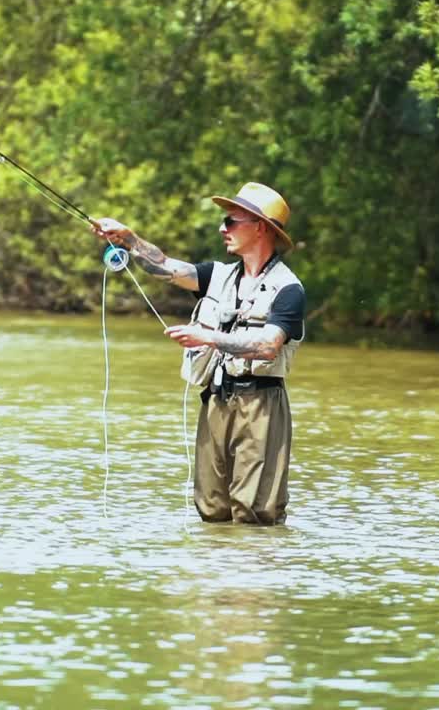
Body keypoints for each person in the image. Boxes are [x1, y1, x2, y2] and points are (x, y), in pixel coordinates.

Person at [91, 182, 306, 525]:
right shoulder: (217, 276)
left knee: (254, 511)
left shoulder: (289, 290)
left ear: (261, 228)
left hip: (261, 407)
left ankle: (256, 576)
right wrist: (129, 240)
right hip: (216, 402)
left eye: (231, 222)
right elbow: (164, 267)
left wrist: (207, 337)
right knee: (212, 508)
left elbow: (268, 346)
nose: (223, 228)